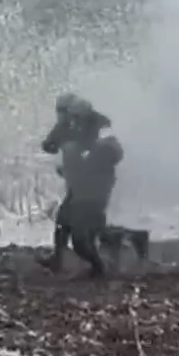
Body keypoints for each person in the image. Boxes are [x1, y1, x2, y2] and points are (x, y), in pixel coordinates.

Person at [41, 94, 149, 270]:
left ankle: (132, 239)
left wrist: (86, 161)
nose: (60, 115)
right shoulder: (65, 127)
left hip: (96, 184)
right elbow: (49, 145)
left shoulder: (97, 124)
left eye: (63, 111)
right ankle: (59, 258)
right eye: (59, 111)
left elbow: (112, 152)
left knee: (91, 226)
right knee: (64, 219)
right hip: (78, 182)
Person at [58, 137, 125, 277]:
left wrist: (68, 169)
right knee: (83, 241)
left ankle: (100, 266)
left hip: (89, 209)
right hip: (88, 208)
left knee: (81, 242)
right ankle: (101, 264)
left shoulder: (102, 170)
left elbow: (81, 181)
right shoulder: (100, 168)